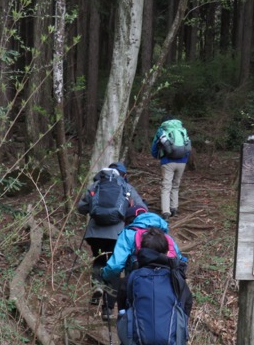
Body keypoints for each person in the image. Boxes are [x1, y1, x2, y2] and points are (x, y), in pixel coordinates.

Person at [76, 162, 145, 318]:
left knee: (99, 260)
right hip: (117, 235)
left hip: (95, 235)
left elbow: (81, 208)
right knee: (114, 268)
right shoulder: (127, 188)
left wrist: (94, 209)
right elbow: (142, 209)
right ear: (123, 175)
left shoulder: (96, 186)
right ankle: (107, 309)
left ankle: (97, 285)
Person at [100, 205, 185, 285]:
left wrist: (104, 276)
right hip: (167, 283)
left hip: (138, 284)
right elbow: (180, 260)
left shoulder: (128, 234)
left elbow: (116, 265)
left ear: (128, 221)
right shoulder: (165, 236)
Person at [151, 116, 191, 220]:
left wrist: (158, 156)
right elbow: (187, 146)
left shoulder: (162, 130)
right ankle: (174, 208)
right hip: (182, 162)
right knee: (176, 185)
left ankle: (166, 212)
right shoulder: (182, 129)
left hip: (167, 162)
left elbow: (154, 148)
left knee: (166, 186)